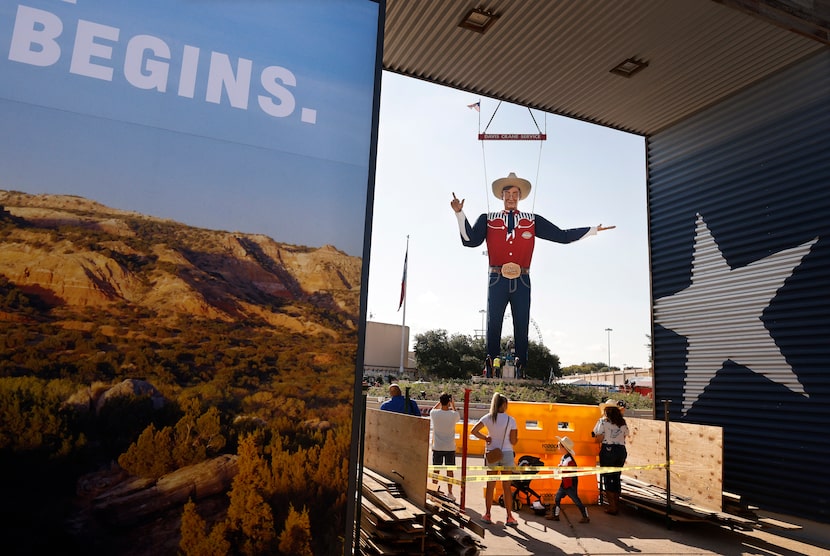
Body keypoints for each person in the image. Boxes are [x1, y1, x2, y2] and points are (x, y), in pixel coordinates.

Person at [451, 173, 613, 377]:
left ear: (520, 196)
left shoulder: (531, 220)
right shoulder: (488, 219)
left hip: (522, 279)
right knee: (494, 322)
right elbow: (470, 240)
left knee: (522, 322)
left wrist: (592, 230)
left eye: (515, 193)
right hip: (497, 278)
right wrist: (459, 214)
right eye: (507, 193)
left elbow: (561, 236)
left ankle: (521, 367)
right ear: (501, 195)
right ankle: (490, 366)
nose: (511, 197)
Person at [471, 393, 519, 527]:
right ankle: (509, 517)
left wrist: (486, 438)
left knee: (490, 485)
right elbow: (513, 441)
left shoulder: (488, 418)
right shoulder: (511, 420)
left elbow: (473, 431)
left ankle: (487, 514)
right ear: (504, 405)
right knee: (507, 487)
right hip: (507, 454)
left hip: (492, 454)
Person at [592, 399, 630, 515]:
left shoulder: (603, 421)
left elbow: (596, 435)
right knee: (616, 477)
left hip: (608, 450)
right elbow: (626, 435)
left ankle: (612, 507)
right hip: (621, 450)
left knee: (608, 478)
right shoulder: (622, 422)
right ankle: (616, 505)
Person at [545, 436, 589, 523]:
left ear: (564, 448)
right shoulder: (564, 457)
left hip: (570, 483)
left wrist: (560, 468)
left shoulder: (569, 459)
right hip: (565, 482)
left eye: (559, 446)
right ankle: (555, 515)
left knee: (576, 500)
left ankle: (585, 516)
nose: (558, 447)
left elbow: (569, 469)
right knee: (557, 498)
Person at [429, 392, 460, 500]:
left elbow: (433, 409)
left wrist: (441, 401)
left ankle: (433, 490)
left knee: (436, 470)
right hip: (449, 447)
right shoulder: (453, 415)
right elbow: (456, 414)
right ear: (449, 402)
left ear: (441, 402)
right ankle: (450, 492)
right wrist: (453, 404)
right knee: (449, 471)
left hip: (437, 446)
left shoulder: (434, 414)